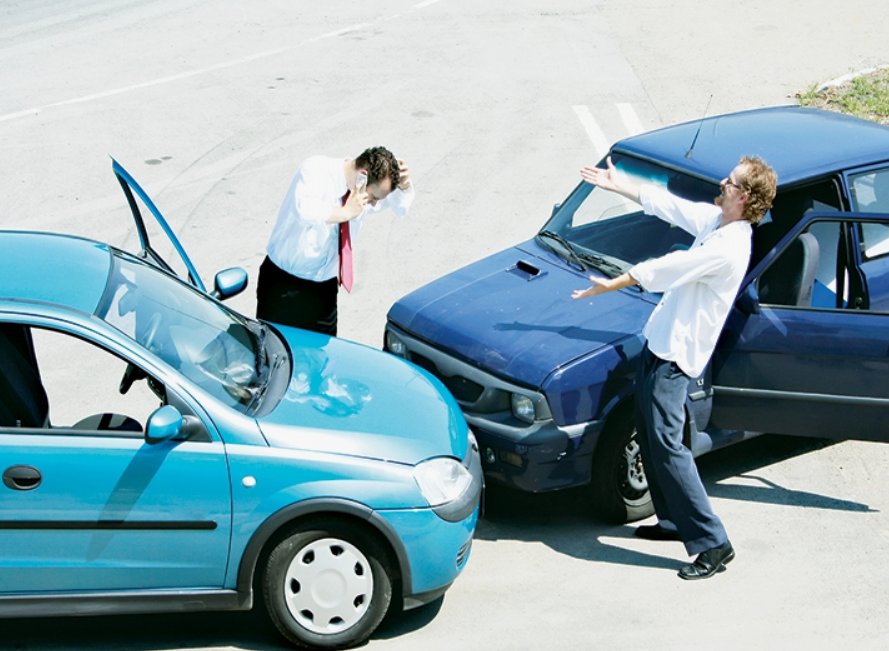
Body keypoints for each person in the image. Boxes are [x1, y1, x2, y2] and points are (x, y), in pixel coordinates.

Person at [572, 155, 777, 580]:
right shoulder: (716, 223)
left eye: (730, 180)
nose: (722, 181)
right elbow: (666, 203)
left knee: (668, 446)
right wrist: (617, 184)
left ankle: (713, 543)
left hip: (675, 358)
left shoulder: (729, 246)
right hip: (660, 342)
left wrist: (616, 282)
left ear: (744, 196)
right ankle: (671, 521)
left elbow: (669, 268)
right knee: (651, 435)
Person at [257, 146, 414, 335]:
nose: (373, 203)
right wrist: (345, 212)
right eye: (374, 197)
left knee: (324, 356)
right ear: (362, 177)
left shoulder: (362, 193)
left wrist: (404, 186)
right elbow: (304, 211)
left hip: (324, 290)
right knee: (273, 355)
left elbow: (400, 209)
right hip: (284, 286)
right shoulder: (316, 169)